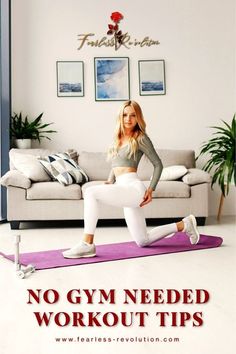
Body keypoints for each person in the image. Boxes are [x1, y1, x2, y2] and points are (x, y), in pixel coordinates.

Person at [63, 100, 200, 259]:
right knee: (143, 240)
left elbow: (158, 165)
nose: (128, 119)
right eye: (125, 115)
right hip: (122, 188)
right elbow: (115, 165)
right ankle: (184, 224)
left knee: (90, 192)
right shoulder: (117, 139)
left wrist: (151, 189)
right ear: (120, 117)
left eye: (133, 115)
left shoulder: (141, 138)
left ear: (138, 118)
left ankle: (87, 244)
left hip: (133, 188)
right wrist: (110, 181)